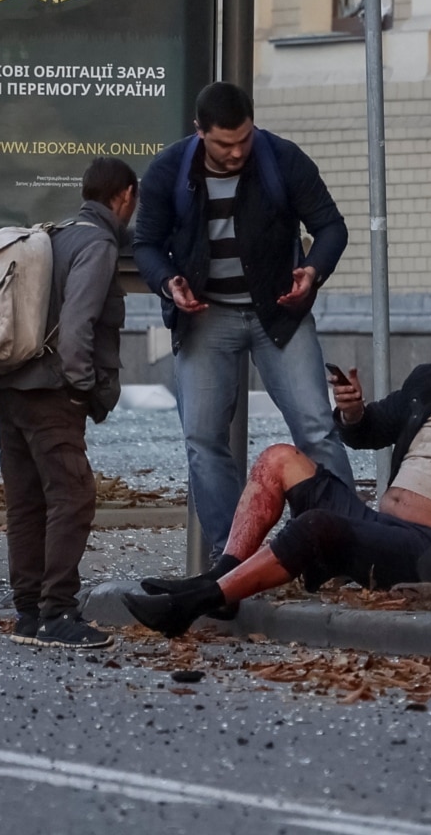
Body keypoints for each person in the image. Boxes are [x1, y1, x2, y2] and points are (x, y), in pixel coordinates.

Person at [124, 313, 431, 637]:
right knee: (278, 457)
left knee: (315, 527)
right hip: (379, 522)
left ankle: (198, 601)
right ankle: (221, 581)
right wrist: (353, 412)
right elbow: (370, 430)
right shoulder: (428, 384)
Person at [133, 81, 354, 562]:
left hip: (279, 312)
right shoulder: (169, 170)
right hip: (205, 315)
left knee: (316, 428)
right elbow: (145, 244)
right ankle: (231, 556)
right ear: (200, 131)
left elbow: (331, 227)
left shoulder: (282, 159)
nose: (236, 152)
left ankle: (345, 545)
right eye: (224, 144)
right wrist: (169, 283)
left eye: (244, 139)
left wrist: (313, 271)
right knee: (202, 437)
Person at [0, 157, 136, 649]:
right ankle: (58, 613)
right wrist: (80, 387)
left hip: (10, 386)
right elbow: (77, 325)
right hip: (51, 393)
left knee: (27, 503)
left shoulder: (54, 235)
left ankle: (29, 614)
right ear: (126, 196)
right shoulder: (97, 244)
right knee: (72, 497)